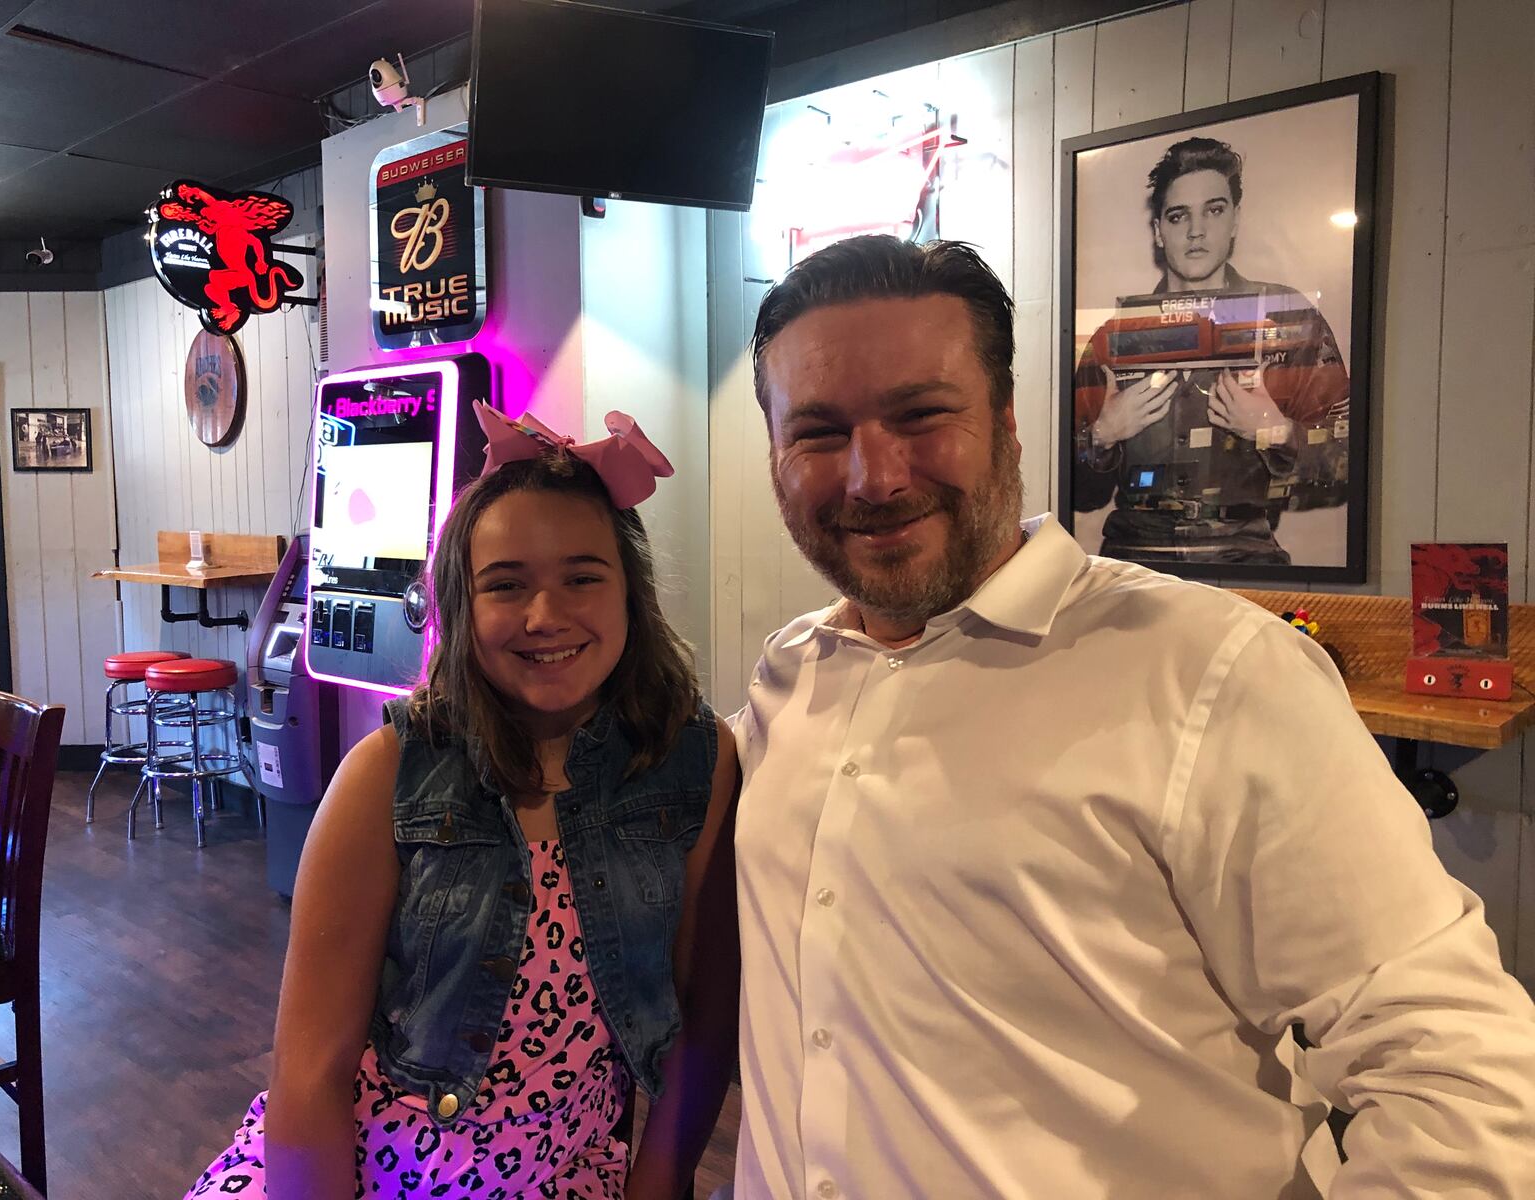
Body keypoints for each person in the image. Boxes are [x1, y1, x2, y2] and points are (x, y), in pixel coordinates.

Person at [733, 234, 1535, 1198]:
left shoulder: (1215, 673)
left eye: (921, 414)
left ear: (1007, 422)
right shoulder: (789, 677)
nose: (873, 475)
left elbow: (1464, 1079)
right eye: (818, 432)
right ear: (775, 453)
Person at [186, 403, 740, 1200]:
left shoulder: (696, 760)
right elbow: (310, 1076)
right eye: (505, 585)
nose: (546, 616)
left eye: (582, 577)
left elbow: (703, 1025)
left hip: (567, 1179)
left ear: (629, 592)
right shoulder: (387, 773)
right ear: (460, 604)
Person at [1071, 136, 1351, 565]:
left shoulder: (1286, 318)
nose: (1196, 230)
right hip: (1133, 560)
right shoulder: (1114, 337)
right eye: (1178, 215)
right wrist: (1102, 435)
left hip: (1243, 556)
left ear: (1235, 219)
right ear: (1158, 231)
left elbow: (1348, 463)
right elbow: (1078, 492)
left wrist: (1276, 431)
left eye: (1214, 210)